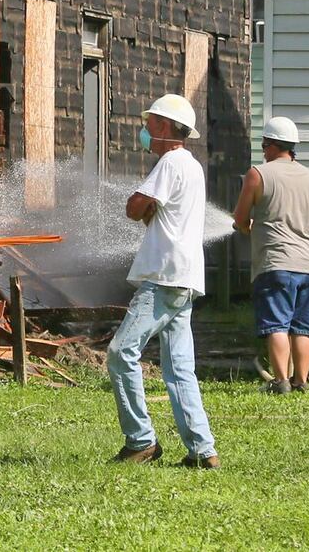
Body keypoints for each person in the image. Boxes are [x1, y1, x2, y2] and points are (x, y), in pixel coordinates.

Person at [106, 94, 218, 468]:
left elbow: (134, 207)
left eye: (151, 122)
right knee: (179, 368)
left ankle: (141, 441)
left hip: (163, 278)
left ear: (166, 127)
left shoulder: (170, 162)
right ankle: (203, 450)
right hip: (184, 280)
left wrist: (144, 205)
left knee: (121, 352)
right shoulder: (192, 166)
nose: (145, 129)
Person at [233, 114, 309, 394]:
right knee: (304, 327)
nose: (263, 151)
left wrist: (249, 229)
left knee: (277, 324)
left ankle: (280, 381)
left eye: (264, 146)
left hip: (277, 263)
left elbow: (239, 218)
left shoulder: (258, 174)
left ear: (273, 146)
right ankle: (302, 382)